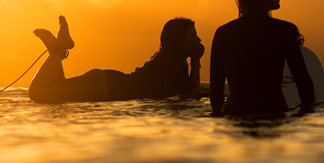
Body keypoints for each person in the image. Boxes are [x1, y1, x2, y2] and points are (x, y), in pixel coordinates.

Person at [209, 0, 315, 116]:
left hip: (234, 115)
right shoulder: (283, 30)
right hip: (273, 112)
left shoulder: (223, 33)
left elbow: (215, 94)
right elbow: (304, 85)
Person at [28, 15, 203, 103]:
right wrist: (195, 60)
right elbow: (191, 93)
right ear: (178, 40)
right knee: (38, 93)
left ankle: (57, 49)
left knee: (55, 95)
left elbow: (187, 91)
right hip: (105, 87)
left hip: (105, 82)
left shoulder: (170, 60)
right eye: (192, 36)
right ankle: (57, 50)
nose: (198, 40)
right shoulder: (174, 63)